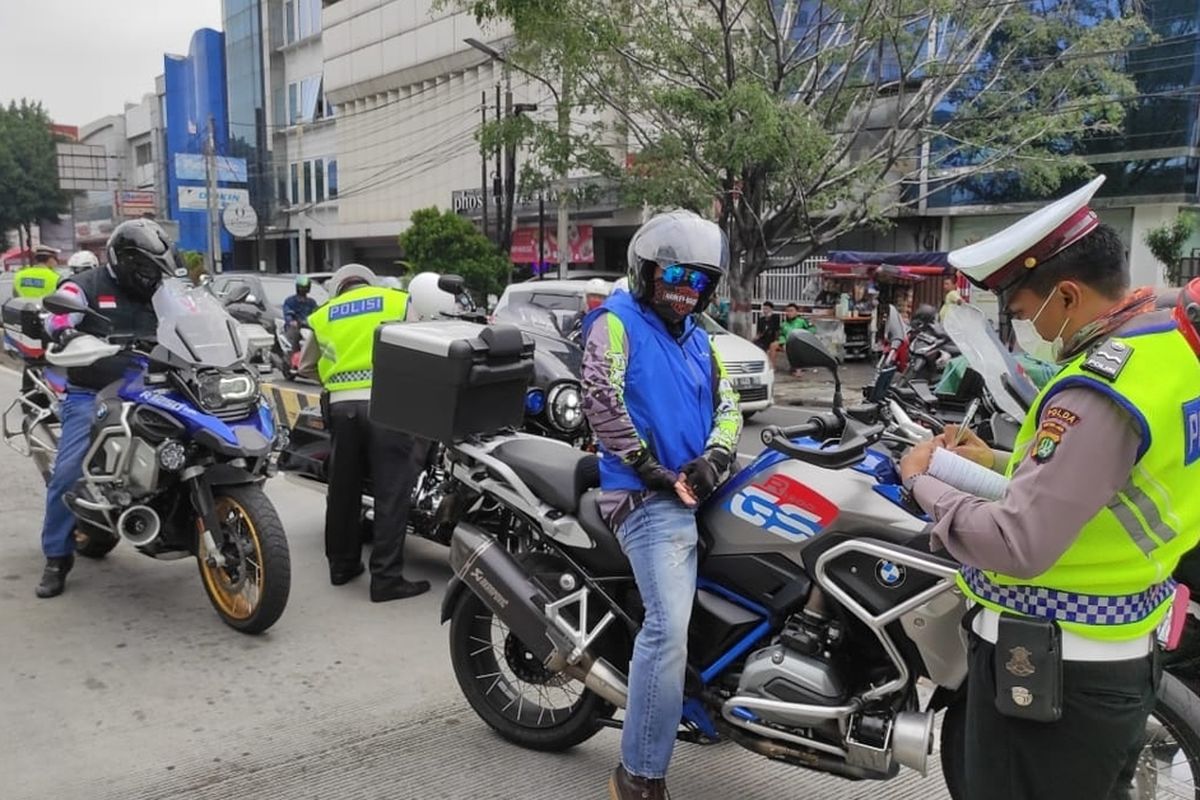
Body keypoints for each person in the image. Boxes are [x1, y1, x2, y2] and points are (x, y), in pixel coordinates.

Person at [898, 174, 1200, 799]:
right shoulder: (1169, 351)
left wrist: (924, 481)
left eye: (1021, 312)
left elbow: (1016, 542)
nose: (1026, 328)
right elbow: (1107, 486)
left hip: (1052, 674)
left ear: (1065, 294)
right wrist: (1003, 461)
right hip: (1120, 653)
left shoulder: (1097, 387)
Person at [580, 209, 742, 800]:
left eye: (697, 280)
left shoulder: (702, 339)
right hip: (644, 497)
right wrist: (652, 470)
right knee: (667, 630)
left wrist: (717, 459)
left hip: (700, 486)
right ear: (645, 271)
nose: (683, 291)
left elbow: (730, 405)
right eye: (673, 275)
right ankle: (638, 775)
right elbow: (601, 397)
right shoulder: (614, 322)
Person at [34, 220, 180, 598]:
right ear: (124, 261)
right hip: (94, 391)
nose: (151, 278)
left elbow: (191, 314)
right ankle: (56, 556)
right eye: (145, 269)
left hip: (154, 387)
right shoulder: (85, 286)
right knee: (68, 472)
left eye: (156, 270)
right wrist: (65, 330)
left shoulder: (162, 290)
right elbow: (57, 316)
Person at [297, 264, 429, 602]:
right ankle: (385, 579)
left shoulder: (325, 314)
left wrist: (338, 384)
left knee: (343, 490)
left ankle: (342, 567)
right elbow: (423, 348)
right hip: (388, 407)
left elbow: (305, 367)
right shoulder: (395, 301)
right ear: (369, 283)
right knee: (391, 492)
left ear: (340, 288)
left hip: (342, 410)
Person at [769, 302, 814, 375]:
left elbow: (812, 329)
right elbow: (781, 335)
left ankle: (798, 370)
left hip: (799, 343)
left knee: (796, 346)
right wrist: (782, 341)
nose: (789, 313)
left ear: (796, 312)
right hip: (786, 343)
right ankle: (772, 368)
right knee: (773, 345)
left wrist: (804, 336)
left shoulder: (802, 321)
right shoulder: (784, 324)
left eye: (791, 311)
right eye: (788, 311)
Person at [282, 275, 318, 356]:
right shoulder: (290, 301)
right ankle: (293, 356)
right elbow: (287, 313)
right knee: (294, 336)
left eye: (306, 287)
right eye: (303, 287)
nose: (304, 289)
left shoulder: (311, 302)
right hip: (296, 327)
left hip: (309, 327)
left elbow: (316, 313)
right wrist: (292, 321)